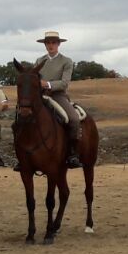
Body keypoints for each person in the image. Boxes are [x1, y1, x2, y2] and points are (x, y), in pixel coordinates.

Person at [33, 31, 82, 169]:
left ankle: (73, 153)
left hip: (58, 95)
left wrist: (47, 84)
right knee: (22, 117)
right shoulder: (39, 61)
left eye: (53, 42)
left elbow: (65, 82)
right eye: (48, 43)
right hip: (40, 96)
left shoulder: (66, 61)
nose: (50, 45)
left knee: (73, 119)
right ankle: (24, 154)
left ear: (58, 44)